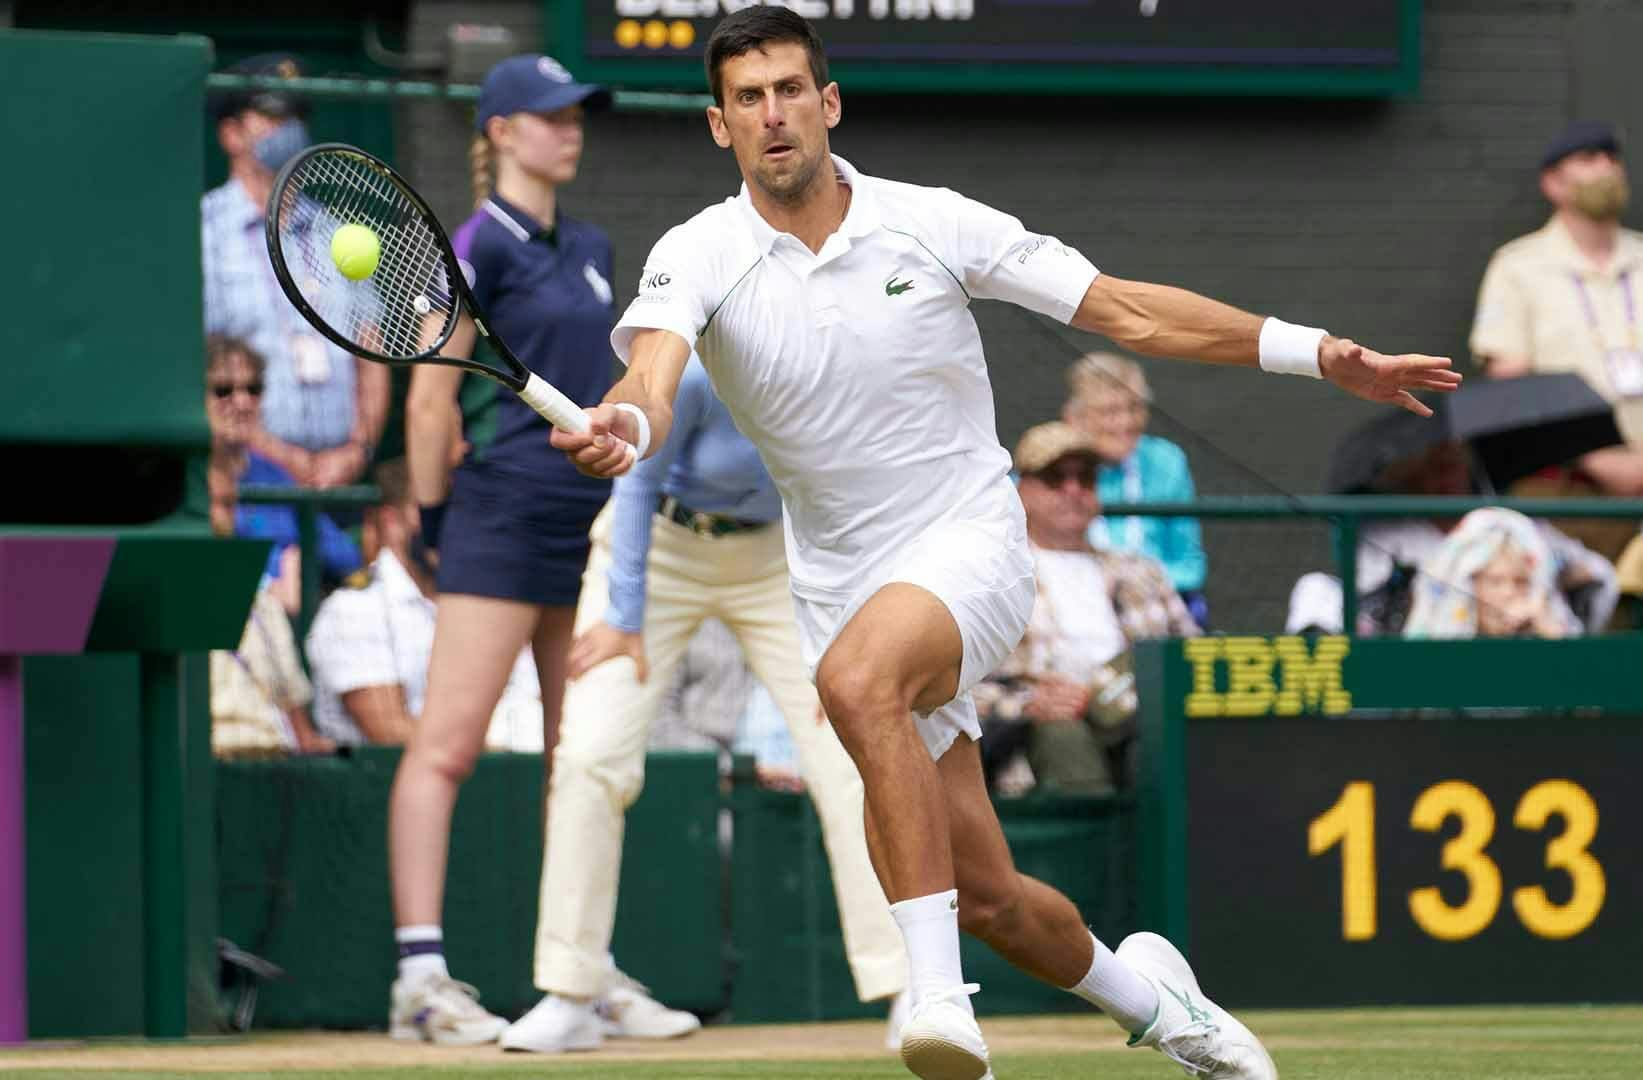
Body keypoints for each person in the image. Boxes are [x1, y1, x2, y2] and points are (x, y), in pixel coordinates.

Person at [554, 9, 1458, 1079]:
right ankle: (1165, 1006)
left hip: (968, 547)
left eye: (790, 90)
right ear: (719, 127)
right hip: (838, 583)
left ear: (828, 103)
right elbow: (649, 377)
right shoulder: (696, 252)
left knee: (854, 682)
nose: (772, 115)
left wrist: (1317, 354)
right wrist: (625, 424)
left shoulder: (930, 221)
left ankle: (934, 1000)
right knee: (985, 894)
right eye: (747, 100)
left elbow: (1128, 314)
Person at [502, 357, 908, 1054]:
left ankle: (912, 990)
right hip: (659, 549)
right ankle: (571, 991)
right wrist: (624, 617)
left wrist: (842, 630)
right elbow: (637, 483)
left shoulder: (845, 365)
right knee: (591, 754)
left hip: (786, 558)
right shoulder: (696, 375)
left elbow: (850, 502)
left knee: (851, 753)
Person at [386, 54, 621, 1044]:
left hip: (583, 523)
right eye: (547, 116)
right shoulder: (474, 247)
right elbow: (431, 396)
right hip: (494, 520)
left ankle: (580, 975)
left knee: (580, 758)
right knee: (447, 745)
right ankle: (420, 977)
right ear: (500, 133)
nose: (567, 130)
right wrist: (434, 524)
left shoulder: (594, 244)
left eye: (575, 116)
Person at [973, 423, 1200, 798]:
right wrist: (1029, 703)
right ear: (1021, 490)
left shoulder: (1143, 573)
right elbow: (953, 689)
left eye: (1086, 478)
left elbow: (1191, 656)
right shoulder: (991, 575)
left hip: (1139, 716)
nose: (1073, 490)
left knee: (1167, 740)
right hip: (1042, 731)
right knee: (1063, 735)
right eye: (1055, 478)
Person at [202, 53, 388, 489]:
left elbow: (372, 351)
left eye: (297, 115)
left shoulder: (336, 232)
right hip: (247, 478)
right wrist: (282, 458)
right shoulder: (203, 232)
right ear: (230, 133)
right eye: (272, 115)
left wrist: (357, 449)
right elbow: (198, 368)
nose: (289, 128)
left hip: (340, 477)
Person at [1469, 120, 1643, 560]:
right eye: (1588, 159)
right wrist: (1601, 461)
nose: (1607, 166)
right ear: (1553, 183)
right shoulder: (1518, 267)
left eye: (1611, 157)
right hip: (1568, 490)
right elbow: (1510, 387)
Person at [303, 461, 540, 748]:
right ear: (391, 522)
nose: (456, 527)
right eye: (436, 513)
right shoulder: (355, 608)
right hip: (387, 786)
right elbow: (389, 732)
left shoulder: (491, 600)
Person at [1284, 439, 1617, 637]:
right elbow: (1369, 600)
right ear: (1416, 476)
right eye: (1434, 467)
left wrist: (1548, 573)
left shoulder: (1516, 525)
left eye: (1452, 466)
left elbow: (1601, 576)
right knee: (1315, 588)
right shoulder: (1391, 533)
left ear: (1467, 469)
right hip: (1420, 647)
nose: (1444, 477)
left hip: (1519, 647)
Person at [204, 334, 362, 612]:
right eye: (223, 390)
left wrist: (298, 560)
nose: (242, 402)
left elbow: (345, 555)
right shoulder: (181, 481)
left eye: (253, 388)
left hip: (284, 627)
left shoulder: (273, 476)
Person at [1062, 353, 1209, 625]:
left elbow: (1189, 564)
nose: (1125, 422)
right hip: (1075, 604)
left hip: (1156, 603)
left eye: (1135, 408)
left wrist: (1135, 580)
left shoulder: (1166, 460)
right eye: (1109, 411)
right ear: (1075, 418)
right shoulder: (1052, 468)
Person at [1403, 508, 1584, 638]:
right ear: (1469, 582)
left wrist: (1545, 626)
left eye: (1521, 582)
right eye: (1495, 581)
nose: (1508, 592)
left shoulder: (1540, 633)